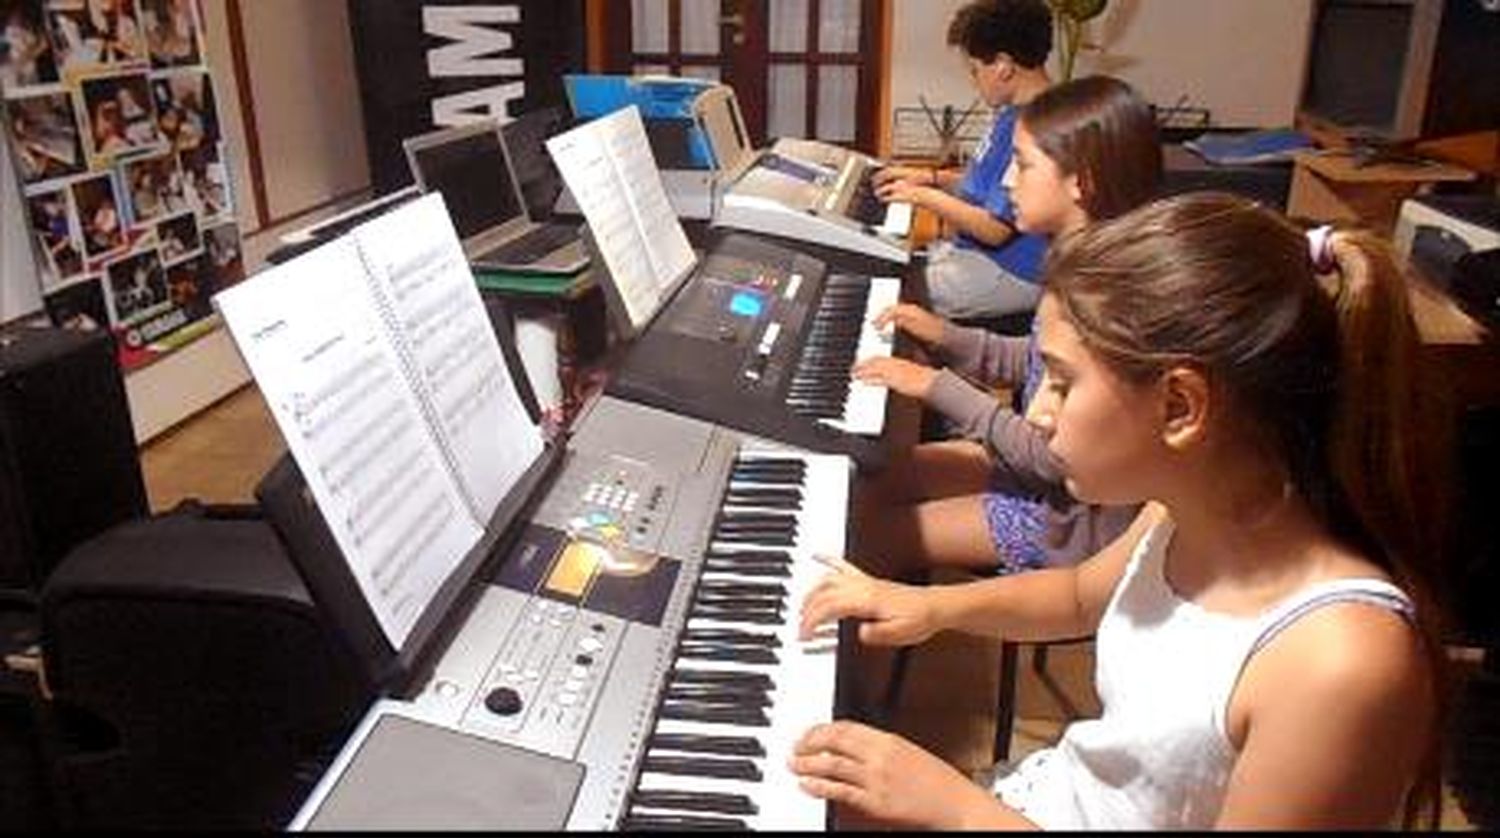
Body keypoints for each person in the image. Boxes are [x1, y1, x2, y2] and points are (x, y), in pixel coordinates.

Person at [792, 192, 1446, 830]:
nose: (1038, 414)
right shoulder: (1180, 513)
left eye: (1061, 381)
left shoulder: (1342, 663)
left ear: (1180, 408)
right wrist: (933, 609)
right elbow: (1079, 595)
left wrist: (958, 809)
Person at [854, 75, 1162, 578]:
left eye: (1021, 165)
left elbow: (1050, 458)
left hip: (1069, 517)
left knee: (871, 538)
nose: (1007, 184)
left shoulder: (1110, 295)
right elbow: (1034, 359)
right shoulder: (1077, 261)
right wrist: (941, 333)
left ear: (1080, 181)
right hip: (1036, 473)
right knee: (866, 482)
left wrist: (935, 385)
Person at [873, 0, 1052, 321]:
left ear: (1003, 66)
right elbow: (984, 187)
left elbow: (994, 229)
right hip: (976, 256)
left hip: (1007, 271)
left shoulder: (1037, 126)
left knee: (890, 293)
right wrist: (929, 178)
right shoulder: (1011, 113)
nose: (973, 80)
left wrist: (924, 197)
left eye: (974, 70)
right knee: (890, 261)